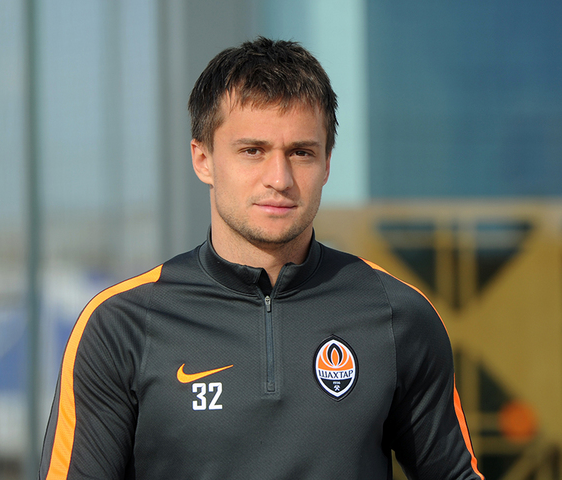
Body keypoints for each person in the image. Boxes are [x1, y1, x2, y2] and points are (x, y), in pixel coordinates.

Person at [39, 37, 484, 480]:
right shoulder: (120, 326)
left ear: (327, 164)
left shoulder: (397, 314)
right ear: (203, 159)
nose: (279, 178)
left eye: (301, 153)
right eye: (252, 151)